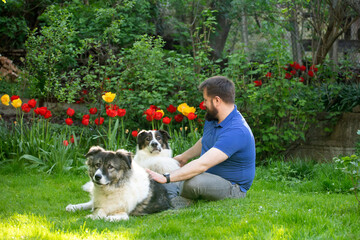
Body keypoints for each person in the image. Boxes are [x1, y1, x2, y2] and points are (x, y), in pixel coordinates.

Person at [147, 76, 256, 206]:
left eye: (205, 100)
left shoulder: (237, 131)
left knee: (193, 182)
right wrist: (183, 157)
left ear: (217, 100)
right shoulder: (214, 117)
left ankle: (178, 199)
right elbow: (206, 139)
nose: (203, 104)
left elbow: (202, 164)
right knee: (169, 177)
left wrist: (166, 178)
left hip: (232, 186)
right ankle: (172, 196)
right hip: (208, 175)